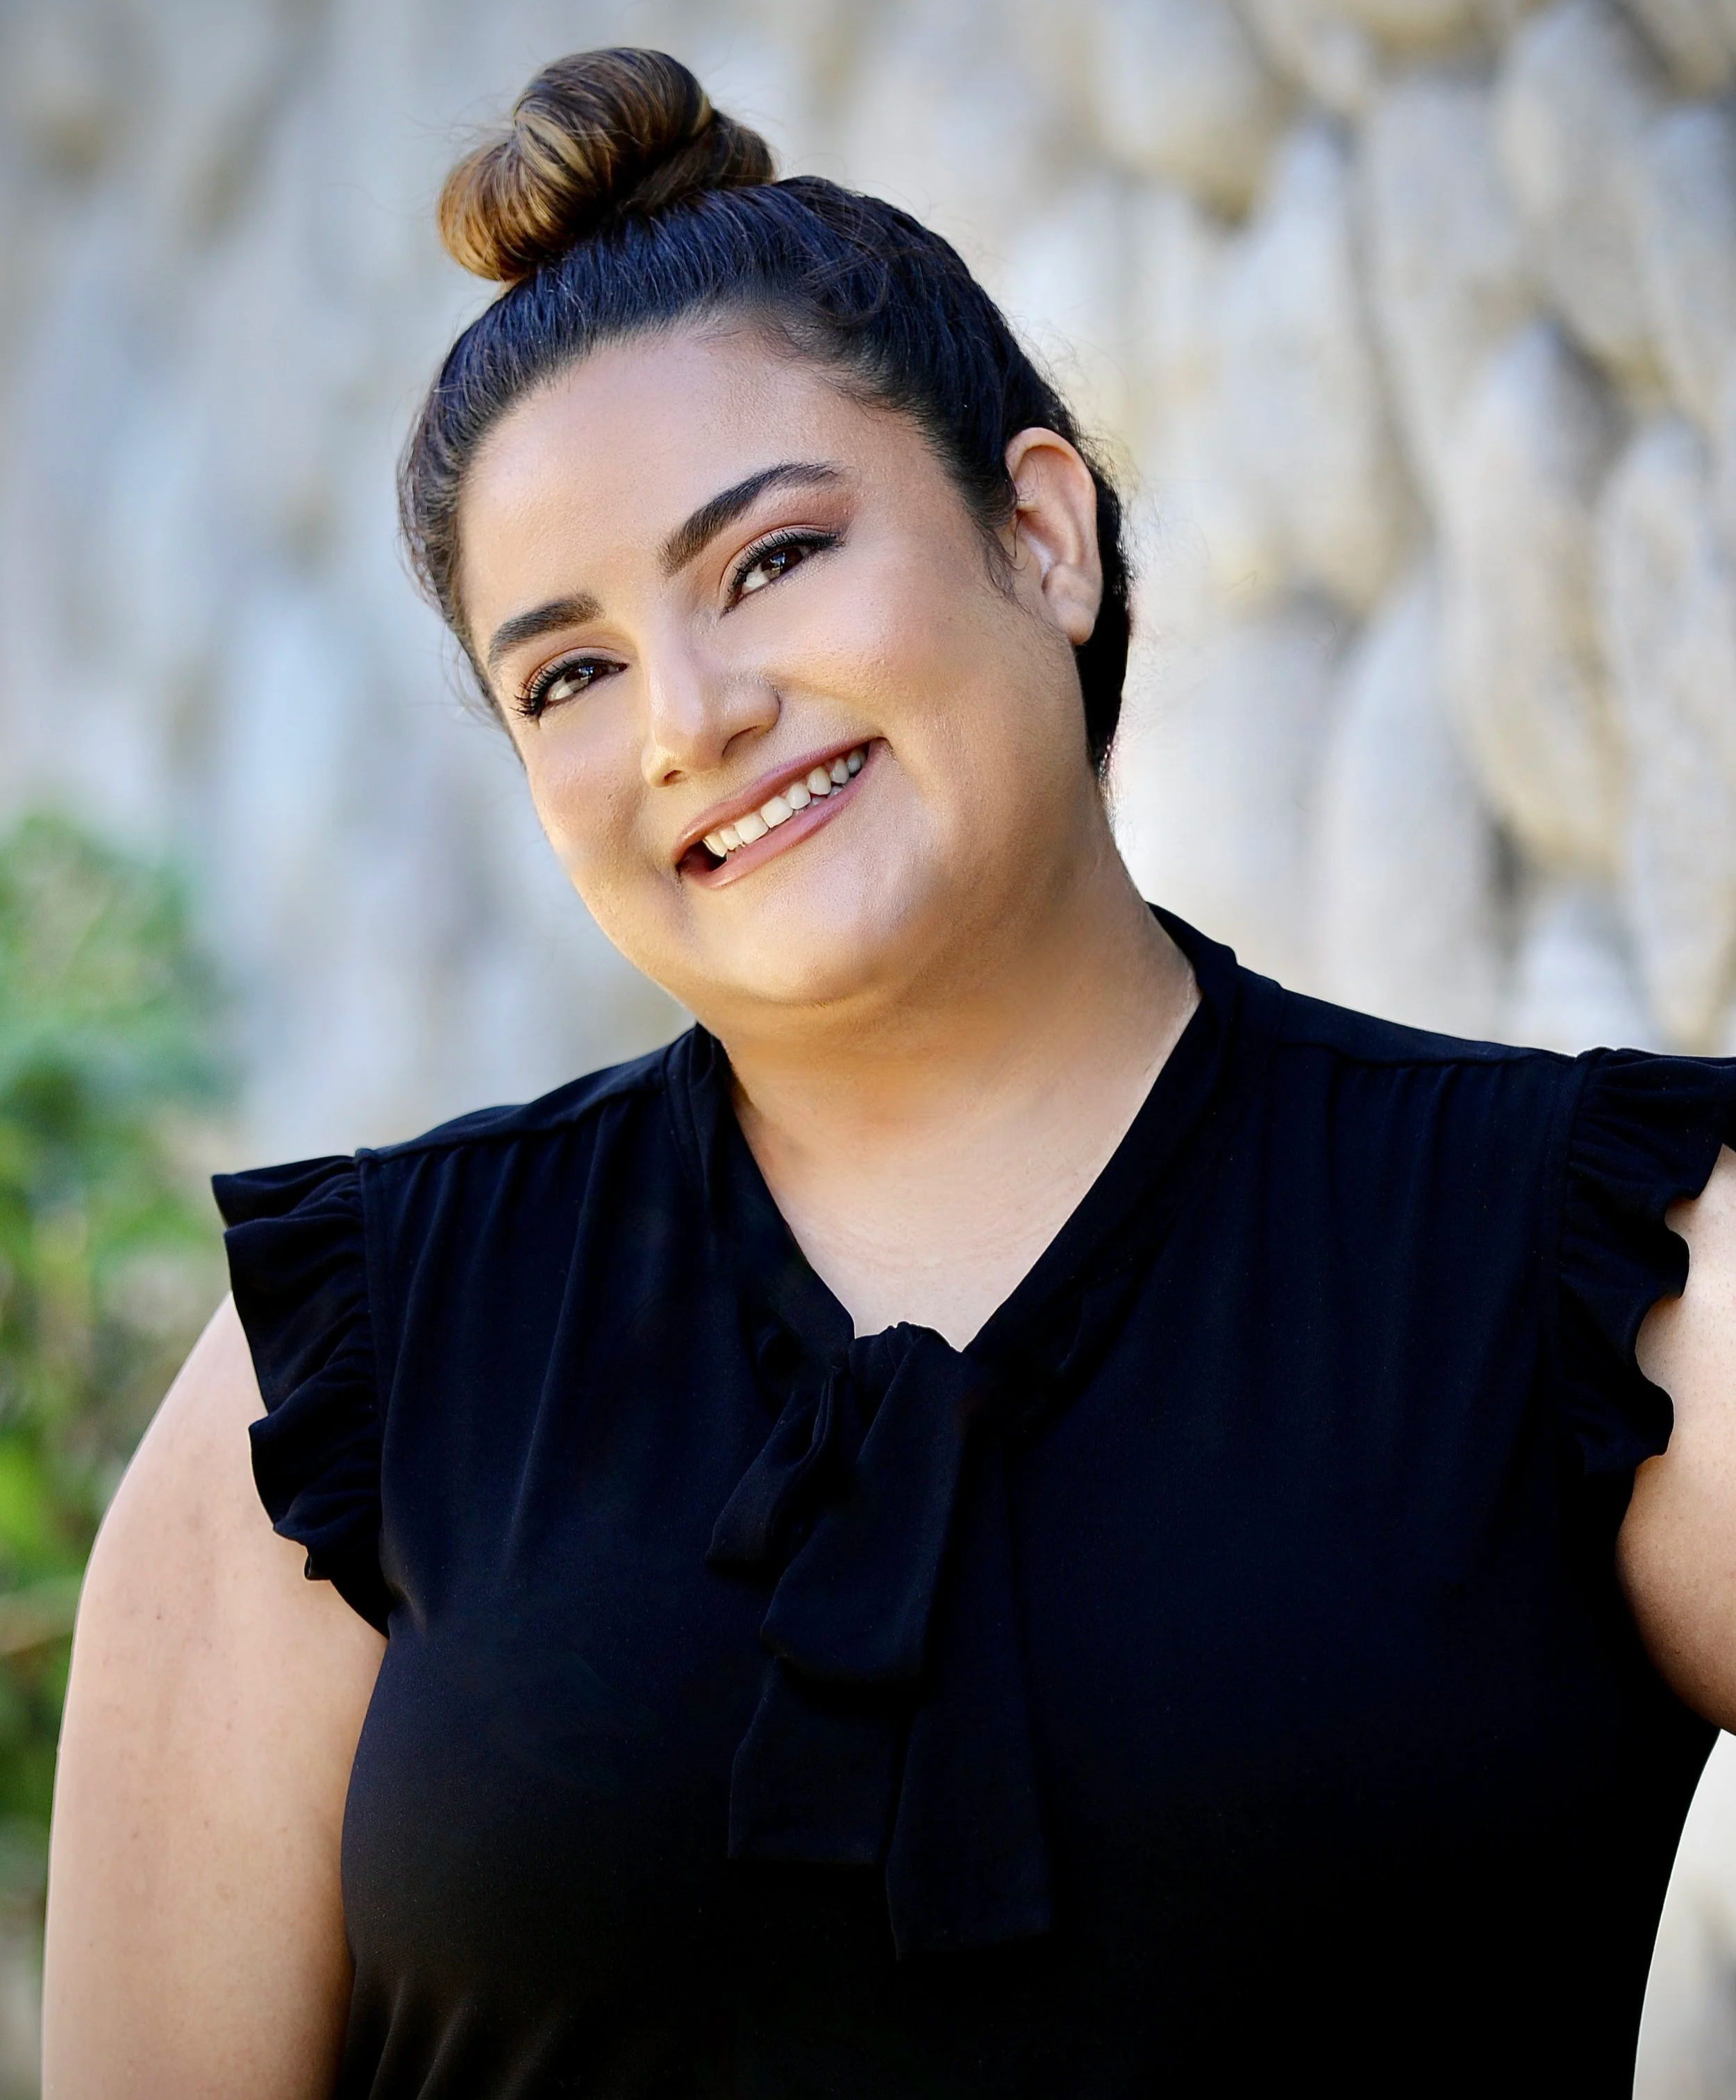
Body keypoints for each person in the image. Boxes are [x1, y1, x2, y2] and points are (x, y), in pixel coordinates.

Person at [39, 46, 1736, 2100]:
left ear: (1041, 536)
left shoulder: (1599, 1282)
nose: (692, 715)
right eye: (567, 672)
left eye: (767, 560)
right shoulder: (326, 1397)